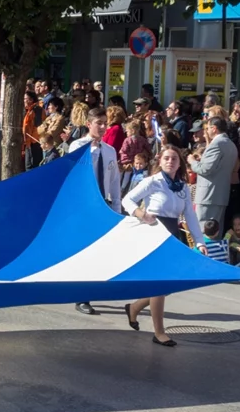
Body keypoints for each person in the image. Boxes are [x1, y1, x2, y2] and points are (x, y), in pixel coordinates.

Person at [122, 145, 208, 346]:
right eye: (166, 158)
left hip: (172, 235)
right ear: (160, 161)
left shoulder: (183, 187)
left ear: (180, 164)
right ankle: (159, 332)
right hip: (153, 233)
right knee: (160, 283)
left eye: (174, 159)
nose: (170, 162)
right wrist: (141, 214)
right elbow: (128, 200)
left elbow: (190, 216)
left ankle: (134, 308)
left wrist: (200, 241)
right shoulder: (153, 181)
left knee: (167, 285)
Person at [71, 107, 122, 315]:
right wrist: (92, 150)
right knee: (85, 251)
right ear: (88, 124)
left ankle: (90, 289)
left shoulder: (109, 151)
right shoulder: (78, 146)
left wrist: (117, 207)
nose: (102, 127)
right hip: (83, 206)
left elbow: (114, 181)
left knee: (99, 252)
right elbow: (75, 176)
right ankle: (82, 296)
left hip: (103, 205)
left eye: (105, 123)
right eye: (98, 123)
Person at [188, 117, 238, 238]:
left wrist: (192, 161)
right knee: (216, 233)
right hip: (221, 195)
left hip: (208, 195)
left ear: (214, 128)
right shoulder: (231, 144)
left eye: (208, 128)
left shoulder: (216, 144)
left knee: (203, 231)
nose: (206, 131)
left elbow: (205, 169)